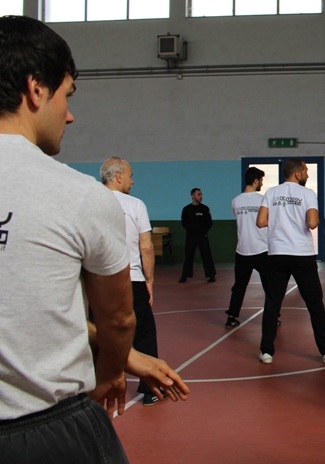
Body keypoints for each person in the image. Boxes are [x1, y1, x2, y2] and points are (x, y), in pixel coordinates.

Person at [0, 15, 135, 461]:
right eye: (67, 95)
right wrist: (115, 370)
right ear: (36, 89)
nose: (70, 114)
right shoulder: (79, 197)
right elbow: (119, 320)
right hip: (42, 432)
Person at [256, 158, 325, 364]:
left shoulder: (271, 192)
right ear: (298, 174)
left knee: (273, 303)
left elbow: (261, 221)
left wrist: (280, 221)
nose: (308, 175)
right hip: (302, 255)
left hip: (277, 254)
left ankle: (267, 352)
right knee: (314, 303)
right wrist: (315, 218)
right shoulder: (307, 194)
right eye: (306, 171)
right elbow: (311, 223)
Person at [100, 156, 162, 406]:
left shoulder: (87, 200)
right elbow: (146, 247)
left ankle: (98, 388)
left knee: (98, 332)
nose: (132, 180)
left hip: (98, 280)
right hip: (130, 279)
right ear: (118, 176)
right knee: (143, 332)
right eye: (130, 175)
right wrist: (149, 280)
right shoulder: (135, 205)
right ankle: (149, 389)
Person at [225, 167, 270, 329]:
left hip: (242, 250)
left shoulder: (236, 201)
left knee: (239, 285)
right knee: (270, 285)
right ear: (256, 181)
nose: (262, 184)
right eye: (261, 181)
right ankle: (274, 316)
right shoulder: (263, 200)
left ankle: (231, 316)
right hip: (262, 250)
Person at [179, 187, 216, 283]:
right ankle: (184, 276)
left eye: (201, 194)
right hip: (191, 236)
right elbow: (184, 222)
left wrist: (204, 231)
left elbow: (209, 222)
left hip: (202, 236)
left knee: (206, 255)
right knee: (188, 256)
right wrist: (190, 230)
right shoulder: (186, 209)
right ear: (192, 196)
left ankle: (211, 275)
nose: (201, 196)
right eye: (198, 194)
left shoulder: (205, 209)